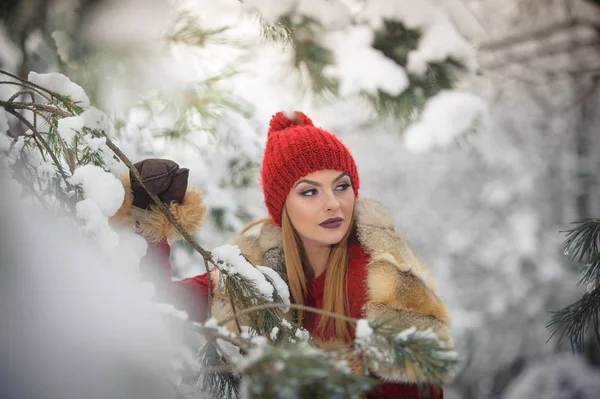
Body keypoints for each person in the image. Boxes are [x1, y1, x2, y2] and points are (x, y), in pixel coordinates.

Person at [112, 112, 455, 398]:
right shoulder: (251, 276)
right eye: (309, 191)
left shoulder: (378, 285)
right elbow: (152, 304)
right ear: (282, 206)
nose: (332, 203)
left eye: (341, 186)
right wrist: (145, 218)